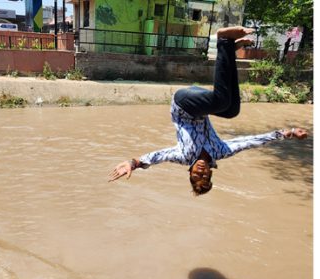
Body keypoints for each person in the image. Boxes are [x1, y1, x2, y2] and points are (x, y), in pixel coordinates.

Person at [108, 26, 309, 195]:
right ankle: (229, 49)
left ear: (190, 171)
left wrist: (131, 164)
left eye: (197, 175)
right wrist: (286, 133)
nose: (201, 172)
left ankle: (223, 40)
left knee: (222, 102)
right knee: (231, 111)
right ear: (211, 173)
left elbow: (153, 158)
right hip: (201, 105)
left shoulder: (183, 156)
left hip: (183, 104)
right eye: (205, 175)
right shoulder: (220, 151)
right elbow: (248, 142)